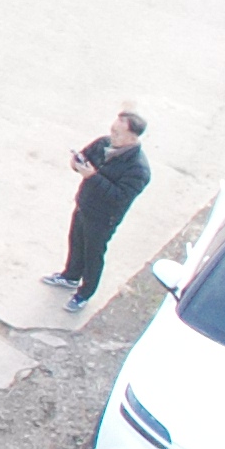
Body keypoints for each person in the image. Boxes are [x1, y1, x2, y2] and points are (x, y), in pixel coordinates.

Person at [50, 107, 151, 306]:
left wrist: (93, 177)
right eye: (112, 129)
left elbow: (119, 197)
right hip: (84, 205)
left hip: (104, 219)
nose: (111, 135)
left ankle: (84, 294)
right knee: (76, 242)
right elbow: (85, 157)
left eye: (117, 133)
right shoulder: (103, 143)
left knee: (93, 255)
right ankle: (70, 276)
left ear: (132, 138)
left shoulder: (138, 169)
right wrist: (76, 163)